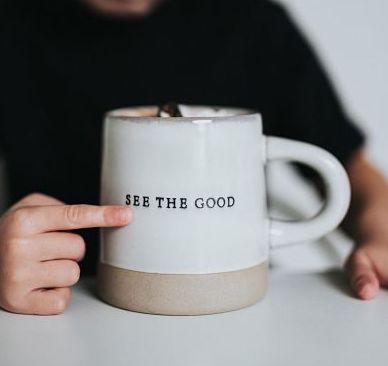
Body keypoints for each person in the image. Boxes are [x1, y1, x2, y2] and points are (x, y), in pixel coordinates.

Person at [0, 0, 387, 315]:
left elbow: (346, 169)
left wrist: (381, 232)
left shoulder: (253, 23)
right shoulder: (13, 26)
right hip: (64, 307)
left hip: (241, 313)